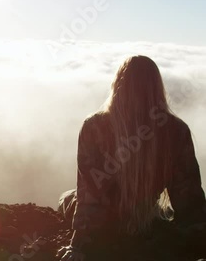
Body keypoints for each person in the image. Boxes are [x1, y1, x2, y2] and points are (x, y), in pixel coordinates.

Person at [57, 55, 206, 261]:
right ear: (157, 87)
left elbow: (89, 195)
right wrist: (196, 243)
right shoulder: (176, 130)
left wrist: (78, 245)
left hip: (105, 228)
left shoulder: (94, 127)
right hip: (147, 222)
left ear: (117, 84)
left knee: (66, 198)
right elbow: (189, 200)